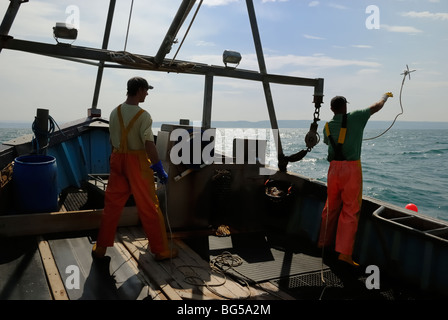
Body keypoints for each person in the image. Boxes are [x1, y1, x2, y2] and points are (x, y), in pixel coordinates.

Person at [92, 76, 177, 261]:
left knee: (112, 207)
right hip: (137, 163)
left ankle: (100, 248)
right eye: (146, 90)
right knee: (149, 207)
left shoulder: (114, 112)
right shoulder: (144, 116)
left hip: (116, 159)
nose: (147, 93)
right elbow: (149, 144)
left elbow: (111, 140)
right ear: (139, 90)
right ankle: (161, 250)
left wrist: (116, 157)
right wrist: (158, 167)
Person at [318, 93, 392, 266]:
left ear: (331, 109)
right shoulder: (357, 117)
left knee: (331, 207)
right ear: (345, 106)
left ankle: (324, 243)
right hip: (351, 169)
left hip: (333, 169)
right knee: (350, 210)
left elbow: (329, 144)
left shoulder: (327, 127)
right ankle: (344, 253)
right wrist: (384, 97)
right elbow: (376, 106)